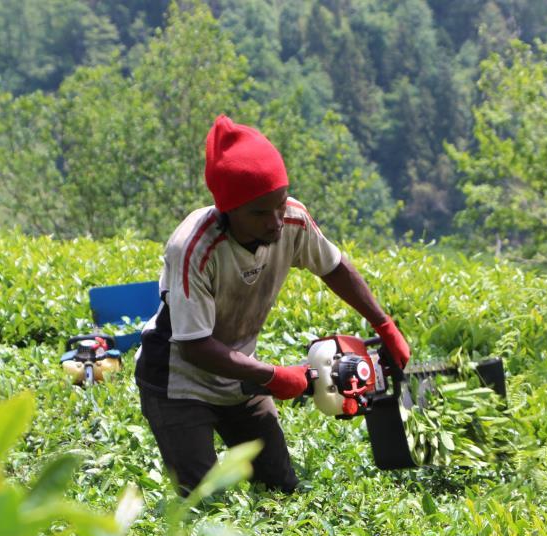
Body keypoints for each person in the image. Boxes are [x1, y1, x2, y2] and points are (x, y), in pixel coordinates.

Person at [135, 115, 410, 496]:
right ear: (228, 210)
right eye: (260, 212)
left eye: (279, 204)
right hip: (177, 382)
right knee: (203, 501)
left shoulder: (292, 218)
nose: (276, 221)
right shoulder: (194, 248)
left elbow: (334, 267)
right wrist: (274, 376)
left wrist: (385, 325)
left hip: (239, 378)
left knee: (280, 487)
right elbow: (194, 345)